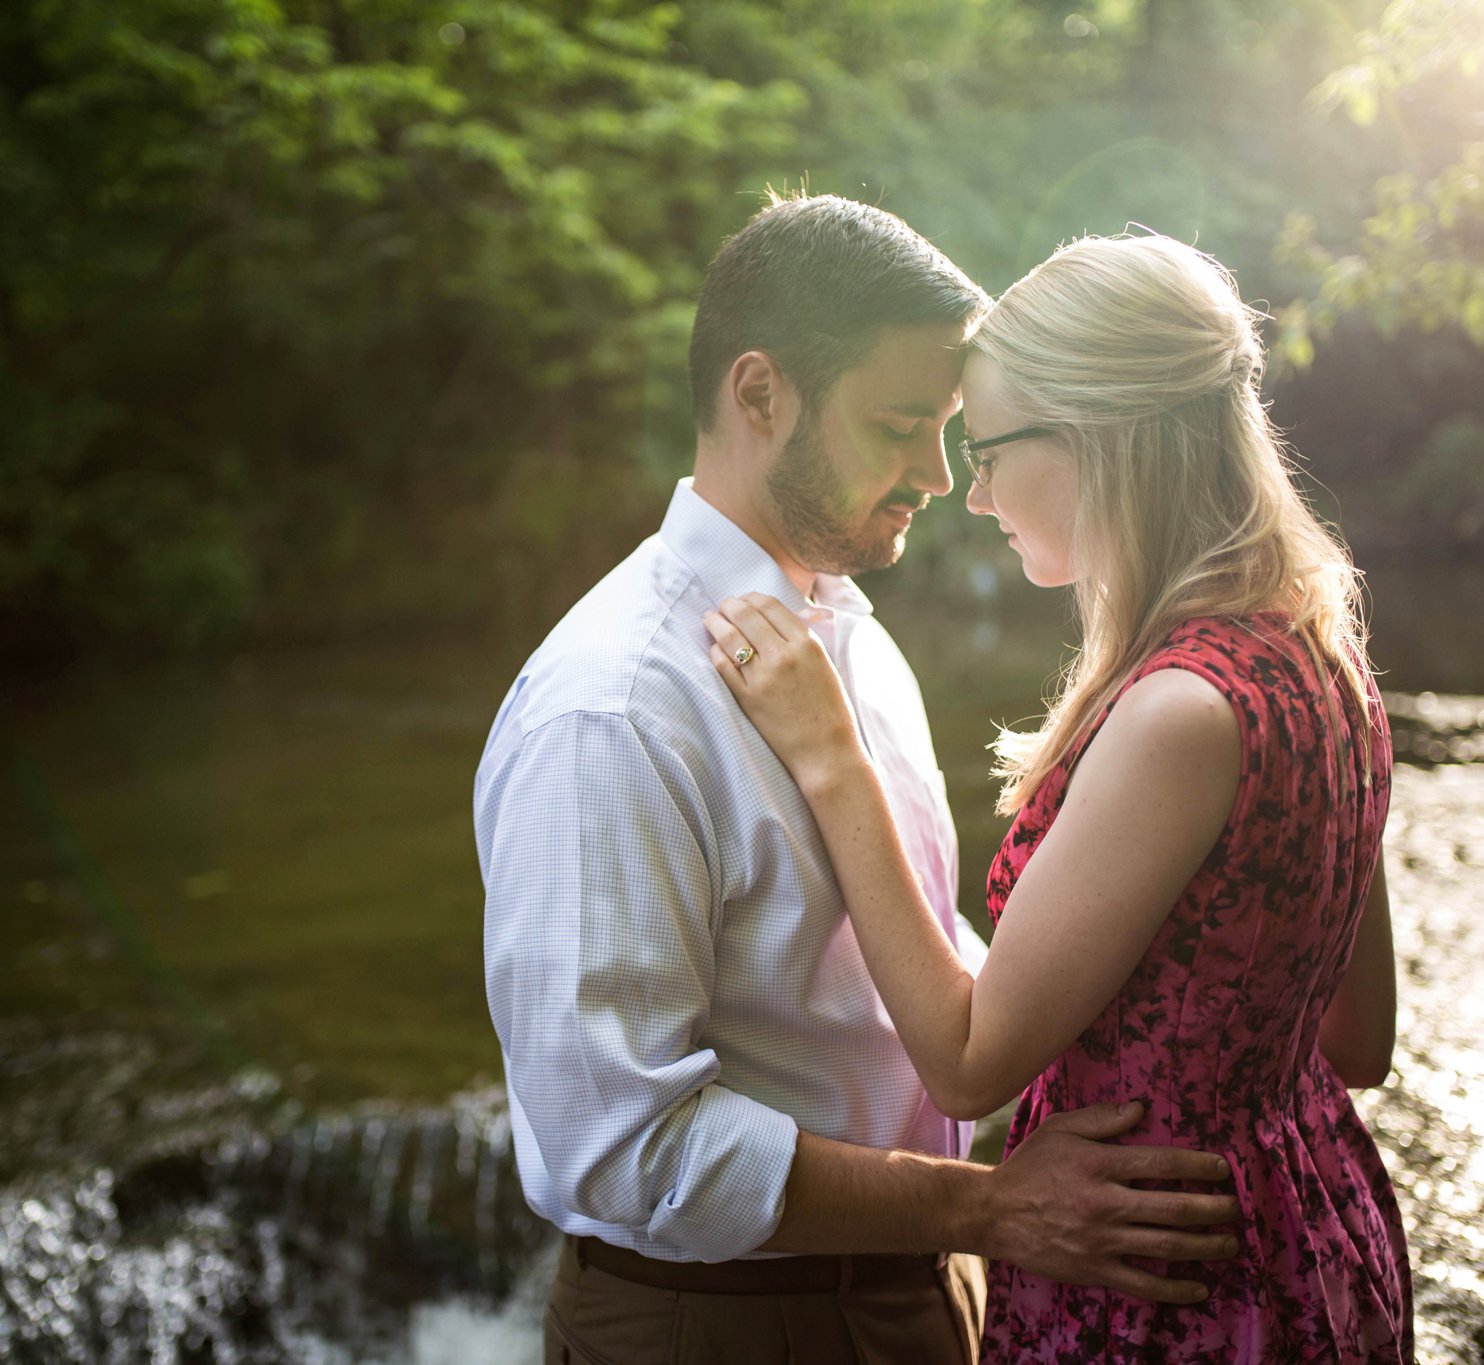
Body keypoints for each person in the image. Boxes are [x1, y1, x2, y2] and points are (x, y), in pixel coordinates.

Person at [475, 197, 1241, 1365]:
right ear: (759, 395)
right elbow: (619, 1149)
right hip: (720, 1328)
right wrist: (990, 1207)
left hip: (926, 1280)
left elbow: (907, 961)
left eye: (947, 428)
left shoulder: (848, 636)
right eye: (898, 425)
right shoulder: (614, 710)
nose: (939, 476)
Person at [702, 232, 1413, 1362]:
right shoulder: (1323, 657)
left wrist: (829, 759)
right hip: (1310, 1223)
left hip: (1158, 1273)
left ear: (1100, 438)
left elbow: (967, 1059)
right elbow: (1359, 1040)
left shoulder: (1180, 714)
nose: (971, 495)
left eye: (986, 451)